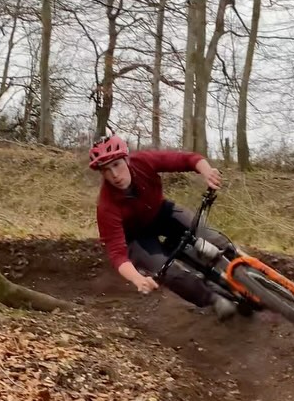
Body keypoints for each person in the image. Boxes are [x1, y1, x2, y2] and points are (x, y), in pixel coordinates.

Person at [89, 134, 238, 320]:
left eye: (116, 165)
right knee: (168, 272)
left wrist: (207, 171)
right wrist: (137, 278)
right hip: (137, 238)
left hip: (160, 213)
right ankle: (213, 299)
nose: (115, 175)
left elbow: (186, 159)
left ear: (126, 159)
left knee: (207, 234)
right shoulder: (106, 206)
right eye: (106, 170)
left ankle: (243, 265)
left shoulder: (143, 162)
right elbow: (117, 254)